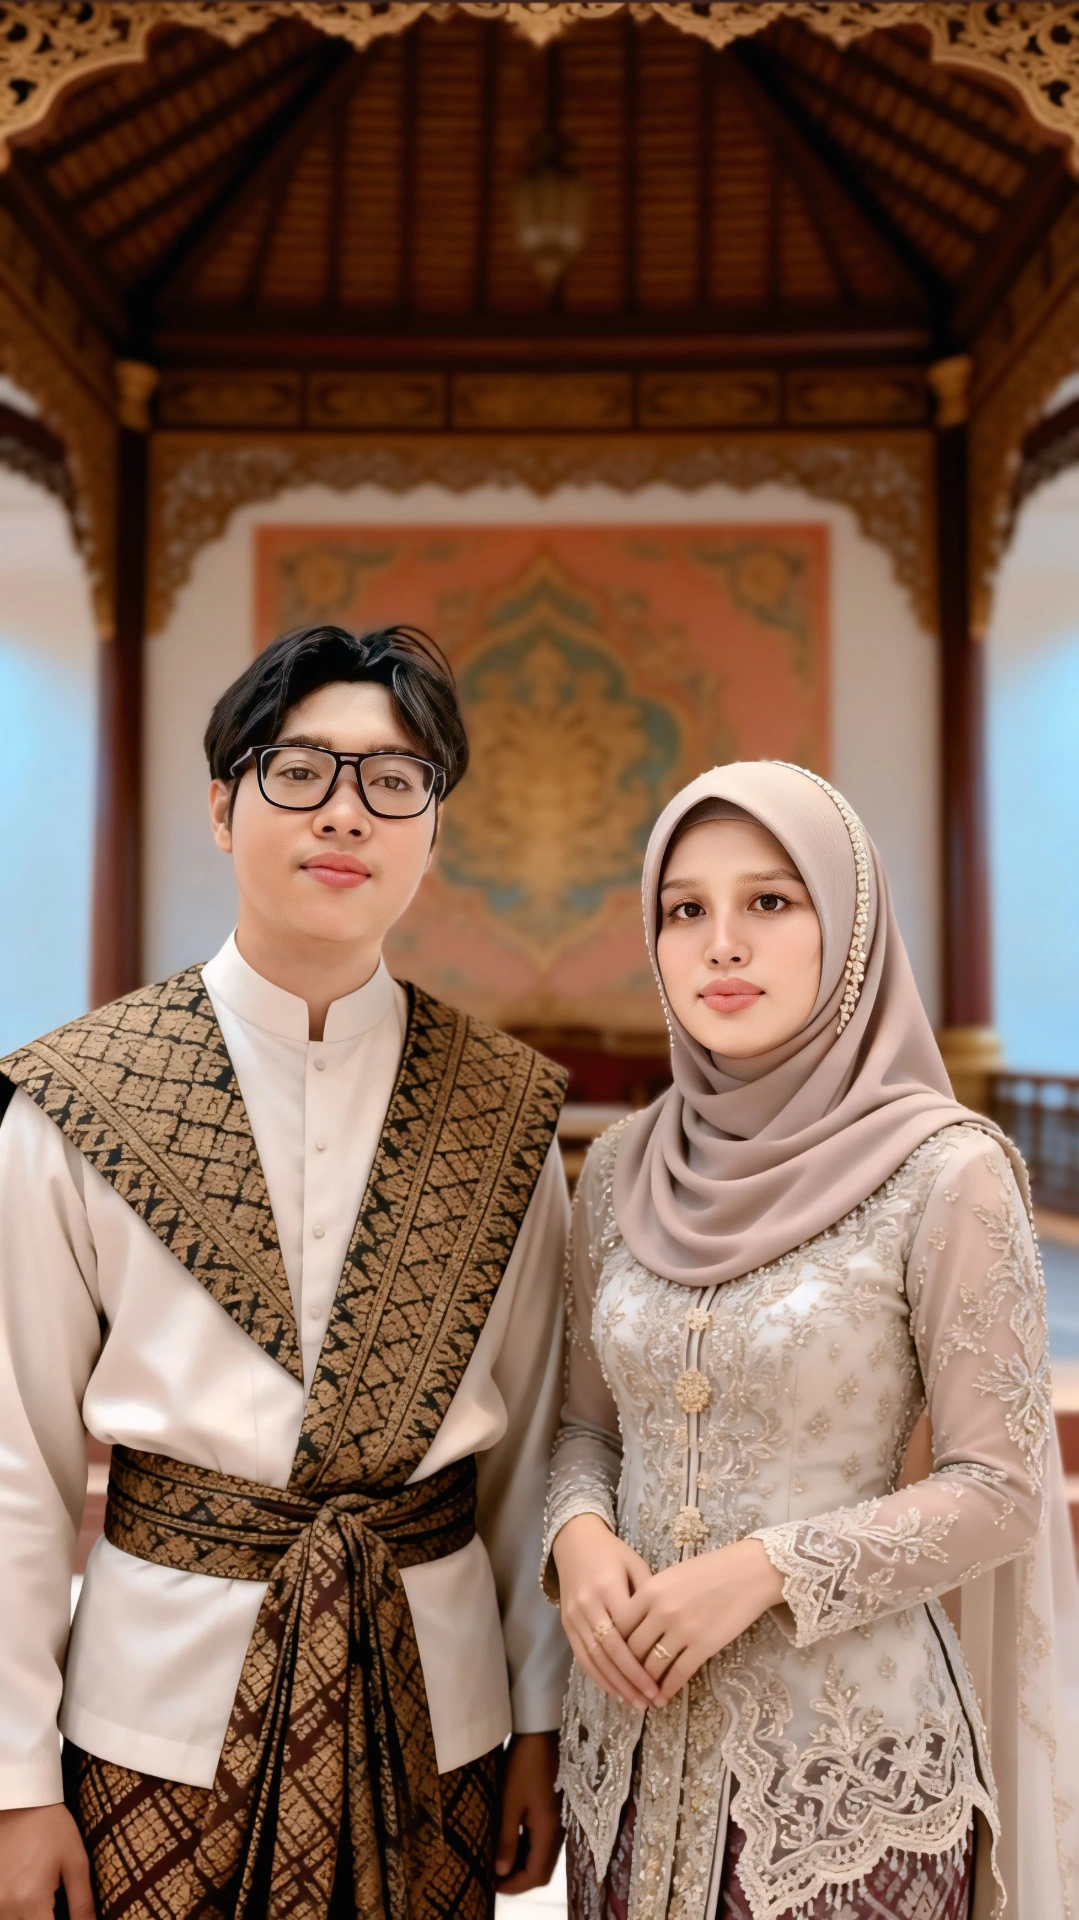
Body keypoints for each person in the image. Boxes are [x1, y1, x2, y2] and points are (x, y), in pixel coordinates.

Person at [0, 624, 571, 1920]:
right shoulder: (78, 1099)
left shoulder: (503, 1115)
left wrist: (538, 1717)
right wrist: (16, 1781)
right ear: (221, 806)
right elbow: (16, 1462)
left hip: (433, 1719)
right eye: (300, 771)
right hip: (150, 1725)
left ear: (434, 830)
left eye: (393, 781)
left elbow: (535, 1452)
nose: (346, 814)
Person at [545, 761, 1079, 1920]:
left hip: (844, 1788)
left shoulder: (945, 1173)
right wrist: (577, 1538)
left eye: (770, 901)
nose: (720, 944)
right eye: (683, 909)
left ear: (847, 925)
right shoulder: (621, 1168)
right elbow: (585, 1429)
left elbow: (998, 1487)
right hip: (623, 1770)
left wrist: (760, 1572)